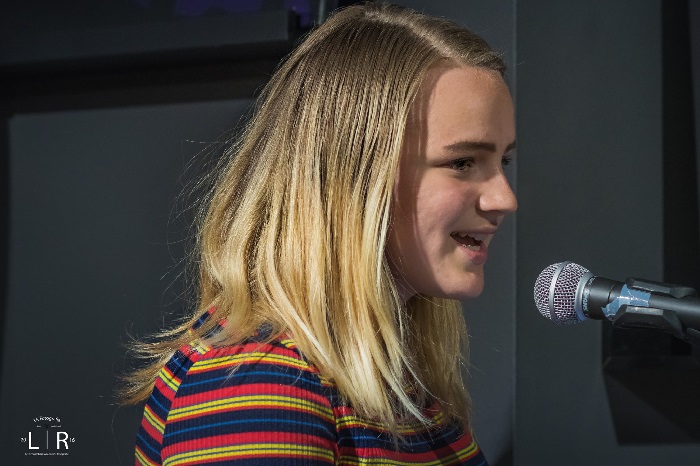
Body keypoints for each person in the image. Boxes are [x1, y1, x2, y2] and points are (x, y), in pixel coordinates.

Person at [123, 2, 517, 465]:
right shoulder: (260, 385)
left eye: (503, 162)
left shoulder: (393, 383)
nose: (504, 199)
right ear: (351, 176)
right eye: (463, 162)